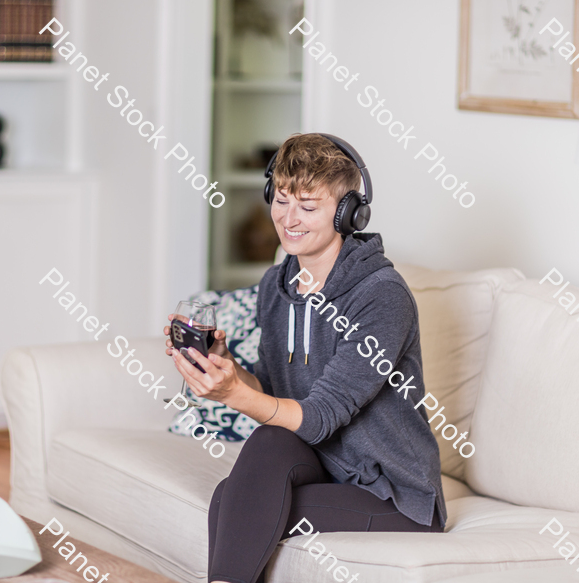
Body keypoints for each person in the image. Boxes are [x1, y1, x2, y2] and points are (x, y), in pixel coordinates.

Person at [163, 133, 445, 583]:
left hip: (394, 495)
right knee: (262, 454)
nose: (287, 219)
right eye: (280, 199)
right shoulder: (279, 284)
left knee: (232, 501)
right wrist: (227, 367)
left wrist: (232, 395)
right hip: (324, 464)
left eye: (308, 207)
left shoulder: (382, 297)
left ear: (347, 212)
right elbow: (273, 395)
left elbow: (318, 418)